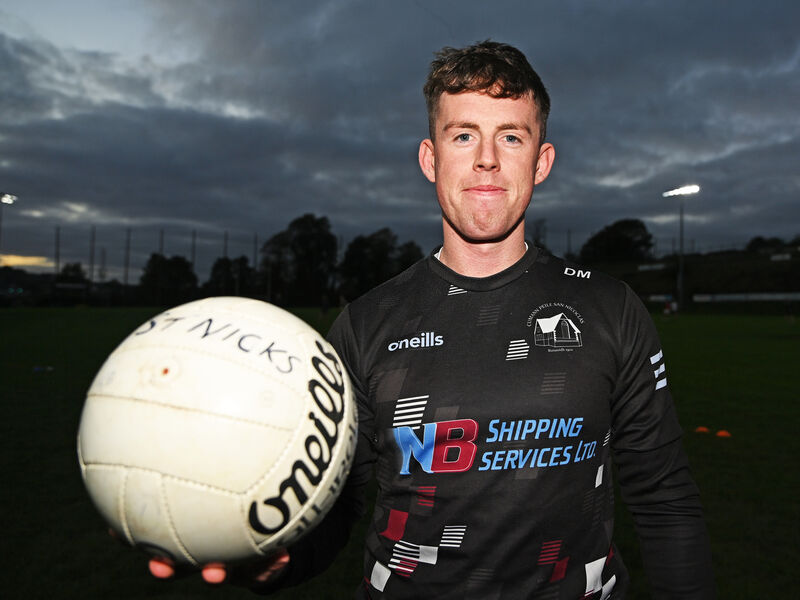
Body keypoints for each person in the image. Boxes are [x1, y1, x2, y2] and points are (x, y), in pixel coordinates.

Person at [149, 40, 715, 598]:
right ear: (431, 158)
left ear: (541, 162)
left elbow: (664, 497)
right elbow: (333, 505)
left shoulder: (609, 309)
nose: (486, 158)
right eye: (463, 135)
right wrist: (276, 561)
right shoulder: (366, 325)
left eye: (510, 136)